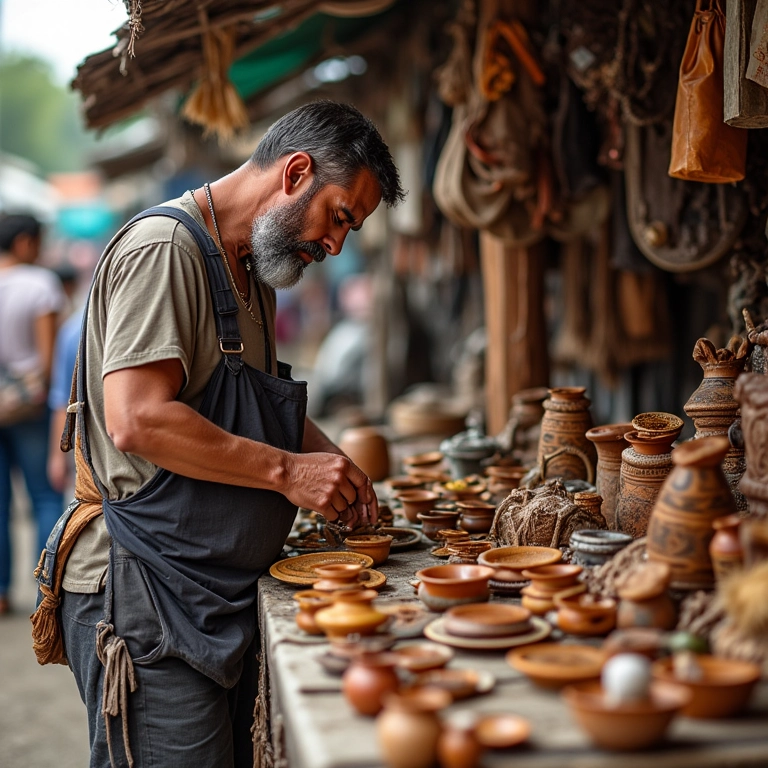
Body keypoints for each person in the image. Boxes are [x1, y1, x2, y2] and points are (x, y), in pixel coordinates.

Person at [55, 101, 404, 768]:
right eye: (340, 218)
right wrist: (288, 472)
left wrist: (331, 460)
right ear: (296, 172)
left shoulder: (253, 268)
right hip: (143, 590)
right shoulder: (167, 250)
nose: (335, 246)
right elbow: (138, 418)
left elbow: (251, 405)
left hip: (207, 587)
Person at [0, 214, 65, 615]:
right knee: (43, 495)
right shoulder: (40, 284)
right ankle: (47, 594)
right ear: (25, 242)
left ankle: (1, 593)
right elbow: (50, 361)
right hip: (29, 405)